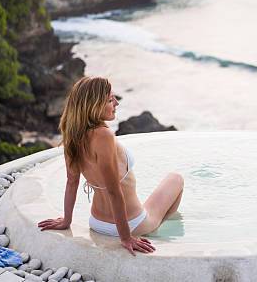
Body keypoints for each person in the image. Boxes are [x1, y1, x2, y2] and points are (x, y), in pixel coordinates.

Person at [37, 76, 184, 256]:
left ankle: (152, 227)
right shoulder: (104, 136)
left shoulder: (72, 134)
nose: (116, 103)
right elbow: (114, 191)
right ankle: (157, 233)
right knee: (176, 179)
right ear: (94, 105)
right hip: (130, 224)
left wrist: (67, 220)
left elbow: (71, 182)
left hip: (97, 222)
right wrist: (126, 237)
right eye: (109, 100)